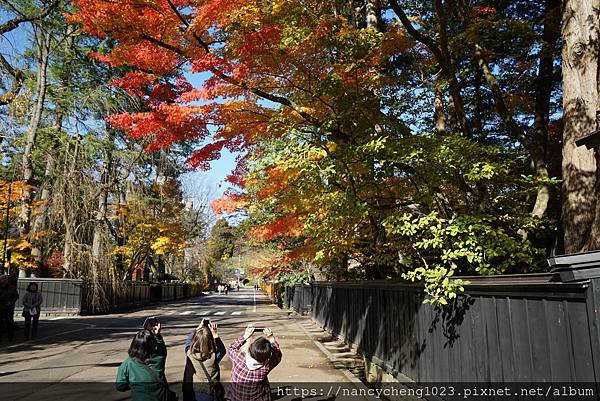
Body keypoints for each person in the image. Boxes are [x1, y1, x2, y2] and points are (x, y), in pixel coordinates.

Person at [228, 324, 282, 401]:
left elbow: (231, 348)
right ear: (268, 357)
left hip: (235, 397)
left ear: (251, 349)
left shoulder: (239, 358)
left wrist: (245, 336)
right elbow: (278, 355)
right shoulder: (265, 367)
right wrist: (271, 338)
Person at [116, 329, 174, 401]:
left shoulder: (128, 364)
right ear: (153, 345)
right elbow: (161, 349)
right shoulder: (158, 359)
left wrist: (134, 386)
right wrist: (157, 335)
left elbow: (120, 386)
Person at [183, 319, 226, 401]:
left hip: (196, 390)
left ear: (195, 341)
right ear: (210, 342)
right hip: (210, 391)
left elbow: (187, 342)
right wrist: (215, 334)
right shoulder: (214, 356)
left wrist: (198, 328)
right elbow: (222, 350)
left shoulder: (189, 354)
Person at [0, 275, 18, 342]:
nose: (3, 281)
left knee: (9, 323)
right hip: (0, 308)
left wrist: (11, 302)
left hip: (9, 308)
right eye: (2, 279)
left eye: (4, 279)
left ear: (7, 280)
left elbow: (16, 296)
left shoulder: (12, 287)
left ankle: (10, 337)